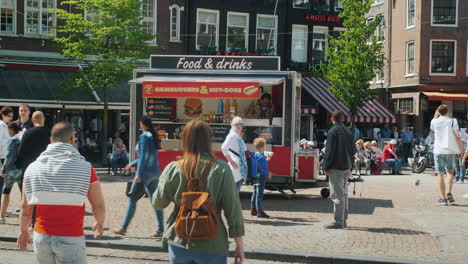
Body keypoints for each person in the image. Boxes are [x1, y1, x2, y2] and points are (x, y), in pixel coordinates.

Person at [152, 120, 245, 264]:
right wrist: (239, 244)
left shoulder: (173, 168)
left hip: (179, 240)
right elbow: (233, 209)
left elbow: (158, 203)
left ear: (185, 140)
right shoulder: (221, 169)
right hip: (212, 243)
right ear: (209, 140)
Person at [17, 122, 105, 263]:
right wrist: (99, 222)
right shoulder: (86, 168)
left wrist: (23, 230)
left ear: (51, 140)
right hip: (71, 235)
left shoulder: (32, 168)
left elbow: (25, 207)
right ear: (72, 140)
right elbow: (98, 204)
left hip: (41, 236)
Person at [111, 115, 164, 237]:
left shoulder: (144, 137)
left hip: (144, 173)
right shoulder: (152, 136)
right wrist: (131, 164)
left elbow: (143, 157)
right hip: (154, 172)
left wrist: (139, 174)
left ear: (142, 124)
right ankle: (160, 229)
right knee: (155, 201)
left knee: (132, 199)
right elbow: (146, 157)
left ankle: (123, 228)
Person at [323, 111, 356, 229]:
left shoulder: (332, 131)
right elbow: (353, 150)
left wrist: (326, 166)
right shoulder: (348, 131)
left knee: (338, 195)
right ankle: (343, 220)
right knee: (344, 195)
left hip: (336, 166)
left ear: (332, 118)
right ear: (342, 119)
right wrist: (351, 165)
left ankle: (338, 222)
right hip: (346, 165)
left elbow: (329, 151)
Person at [431, 105, 463, 205]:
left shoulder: (434, 121)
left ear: (439, 112)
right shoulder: (453, 121)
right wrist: (460, 151)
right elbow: (458, 136)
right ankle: (449, 192)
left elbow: (432, 130)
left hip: (438, 150)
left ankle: (443, 198)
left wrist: (435, 116)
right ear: (447, 112)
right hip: (450, 150)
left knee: (440, 173)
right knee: (450, 172)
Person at [16, 111, 50, 192]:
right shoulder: (50, 133)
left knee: (28, 193)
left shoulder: (27, 133)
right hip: (45, 168)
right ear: (44, 119)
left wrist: (18, 165)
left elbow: (21, 151)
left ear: (33, 120)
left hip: (29, 168)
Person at [0, 122, 21, 224]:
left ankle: (2, 217)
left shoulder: (12, 140)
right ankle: (24, 219)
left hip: (11, 170)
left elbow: (8, 157)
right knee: (23, 194)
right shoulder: (22, 139)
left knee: (6, 192)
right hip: (21, 169)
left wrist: (3, 169)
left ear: (11, 130)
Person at [221, 116, 247, 191]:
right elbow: (223, 147)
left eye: (241, 124)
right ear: (232, 125)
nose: (239, 126)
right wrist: (231, 162)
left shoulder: (237, 136)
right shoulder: (232, 135)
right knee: (233, 192)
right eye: (237, 124)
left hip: (239, 169)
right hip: (236, 168)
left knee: (235, 192)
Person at [251, 138, 271, 218]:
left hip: (255, 177)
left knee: (255, 193)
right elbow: (263, 169)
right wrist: (267, 174)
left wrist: (266, 160)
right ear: (263, 147)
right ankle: (259, 211)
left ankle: (253, 209)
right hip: (261, 178)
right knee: (259, 195)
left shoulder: (255, 155)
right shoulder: (262, 158)